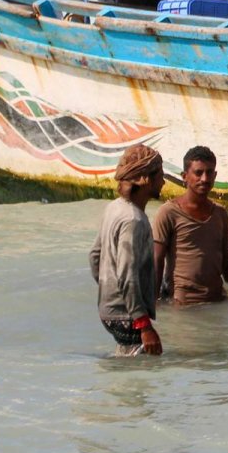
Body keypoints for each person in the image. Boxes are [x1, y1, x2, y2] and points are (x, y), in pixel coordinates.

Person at [89, 144, 167, 356]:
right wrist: (144, 325)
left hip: (110, 311)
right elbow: (127, 275)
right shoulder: (134, 220)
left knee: (126, 363)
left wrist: (109, 291)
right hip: (127, 316)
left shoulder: (114, 207)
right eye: (160, 175)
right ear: (146, 179)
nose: (164, 181)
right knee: (142, 375)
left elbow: (95, 256)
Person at [152, 145, 228, 305]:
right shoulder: (168, 212)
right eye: (198, 173)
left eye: (209, 172)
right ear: (185, 176)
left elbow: (227, 261)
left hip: (217, 301)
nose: (204, 179)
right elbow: (157, 259)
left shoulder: (220, 213)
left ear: (215, 175)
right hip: (182, 305)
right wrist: (153, 303)